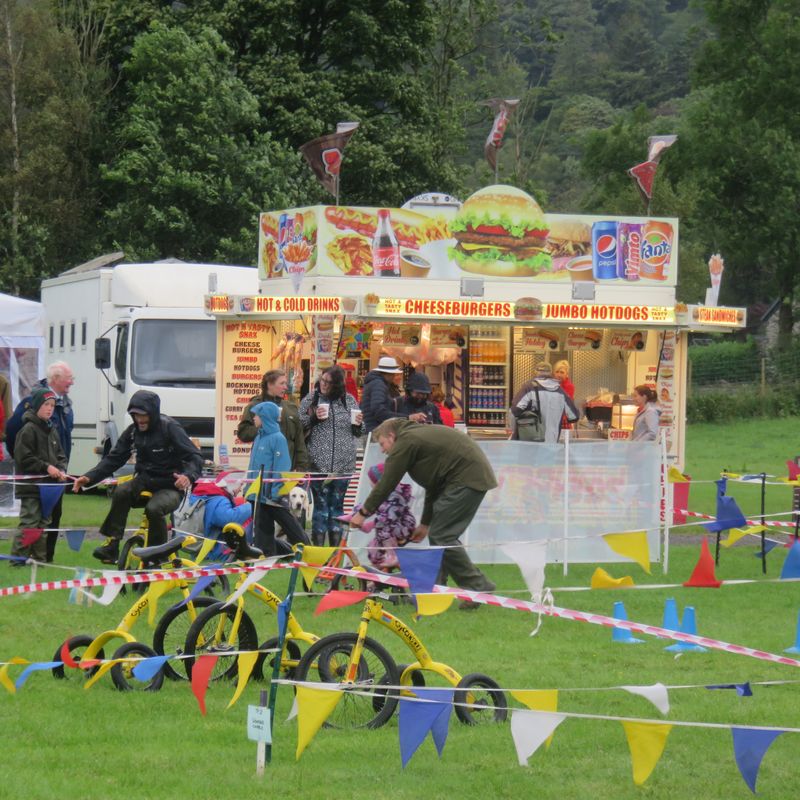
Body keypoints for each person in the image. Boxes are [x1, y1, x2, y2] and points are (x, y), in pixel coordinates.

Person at [350, 418, 496, 608]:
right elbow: (432, 485)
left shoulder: (406, 442)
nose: (383, 450)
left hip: (466, 478)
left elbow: (386, 483)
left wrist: (363, 512)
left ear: (392, 436)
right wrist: (425, 524)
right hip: (465, 477)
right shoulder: (413, 440)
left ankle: (477, 586)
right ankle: (434, 593)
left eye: (383, 444)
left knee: (442, 536)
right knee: (439, 536)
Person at [72, 390, 203, 563]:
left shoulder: (170, 427)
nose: (139, 419)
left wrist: (188, 476)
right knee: (121, 491)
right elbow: (113, 459)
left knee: (154, 509)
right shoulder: (133, 431)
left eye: (143, 415)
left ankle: (156, 556)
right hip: (144, 481)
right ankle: (112, 546)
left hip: (171, 486)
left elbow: (195, 457)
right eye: (135, 415)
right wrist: (88, 478)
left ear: (153, 413)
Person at [5, 361, 75, 561]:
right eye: (46, 405)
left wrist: (61, 468)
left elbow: (61, 453)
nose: (50, 409)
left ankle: (40, 561)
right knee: (29, 523)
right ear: (36, 406)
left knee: (44, 523)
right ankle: (18, 560)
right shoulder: (27, 429)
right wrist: (46, 467)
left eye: (53, 405)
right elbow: (24, 457)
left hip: (50, 484)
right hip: (31, 485)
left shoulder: (51, 429)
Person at [299, 365, 364, 546]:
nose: (323, 385)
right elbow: (298, 423)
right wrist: (314, 419)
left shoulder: (348, 400)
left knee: (337, 509)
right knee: (321, 509)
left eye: (328, 382)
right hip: (319, 465)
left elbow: (360, 432)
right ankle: (319, 552)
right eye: (322, 380)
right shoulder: (312, 398)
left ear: (337, 385)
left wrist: (358, 424)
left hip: (344, 466)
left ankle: (335, 553)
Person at [247, 400, 309, 555]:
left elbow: (282, 466)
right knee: (263, 529)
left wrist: (276, 492)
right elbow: (252, 466)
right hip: (259, 495)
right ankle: (267, 556)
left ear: (265, 417)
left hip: (273, 495)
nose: (253, 418)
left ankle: (310, 552)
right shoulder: (258, 437)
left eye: (256, 415)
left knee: (291, 527)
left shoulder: (278, 438)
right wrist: (248, 488)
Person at [237, 369, 310, 472]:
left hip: (288, 469)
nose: (285, 387)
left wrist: (301, 467)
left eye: (285, 383)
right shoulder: (256, 406)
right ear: (270, 385)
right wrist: (263, 425)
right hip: (264, 469)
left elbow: (299, 441)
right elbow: (243, 434)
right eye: (282, 383)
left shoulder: (291, 408)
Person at [363, 463, 416, 571]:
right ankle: (379, 577)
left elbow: (390, 516)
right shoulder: (381, 495)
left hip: (403, 526)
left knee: (385, 530)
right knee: (373, 549)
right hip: (388, 529)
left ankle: (393, 557)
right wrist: (355, 515)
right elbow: (370, 507)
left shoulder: (396, 496)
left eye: (372, 480)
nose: (370, 483)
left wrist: (371, 524)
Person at [510, 362, 579, 443]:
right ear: (551, 373)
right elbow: (574, 417)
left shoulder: (528, 387)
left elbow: (515, 410)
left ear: (535, 372)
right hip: (552, 442)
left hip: (530, 440)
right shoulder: (561, 392)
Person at [361, 356, 428, 433]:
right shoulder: (379, 385)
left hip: (370, 428)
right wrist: (408, 417)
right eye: (393, 374)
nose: (394, 377)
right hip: (374, 430)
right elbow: (379, 412)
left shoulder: (375, 383)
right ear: (388, 374)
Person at [553, 359, 575, 431]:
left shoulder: (569, 386)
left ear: (567, 374)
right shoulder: (551, 384)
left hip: (563, 419)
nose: (559, 374)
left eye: (562, 372)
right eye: (557, 372)